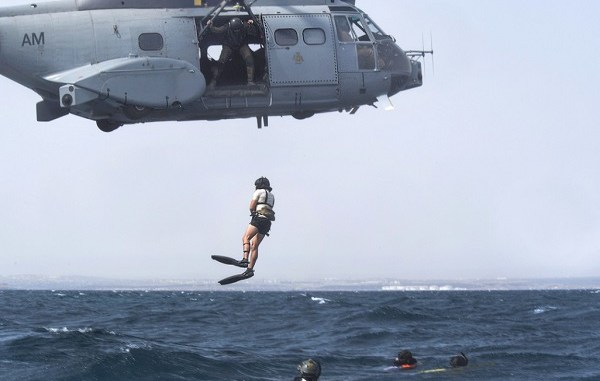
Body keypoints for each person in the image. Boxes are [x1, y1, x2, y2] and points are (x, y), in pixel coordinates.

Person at [207, 17, 260, 87]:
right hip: (229, 45)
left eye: (238, 30)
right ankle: (213, 82)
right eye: (235, 30)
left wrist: (252, 24)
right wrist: (210, 26)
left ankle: (250, 81)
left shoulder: (245, 25)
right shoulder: (226, 27)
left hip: (241, 44)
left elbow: (254, 31)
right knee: (221, 62)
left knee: (249, 60)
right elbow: (217, 30)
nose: (237, 31)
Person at [239, 177, 275, 279]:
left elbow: (251, 206)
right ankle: (249, 270)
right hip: (267, 222)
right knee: (255, 245)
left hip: (258, 219)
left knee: (246, 238)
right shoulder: (272, 196)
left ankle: (245, 260)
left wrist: (252, 213)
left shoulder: (258, 192)